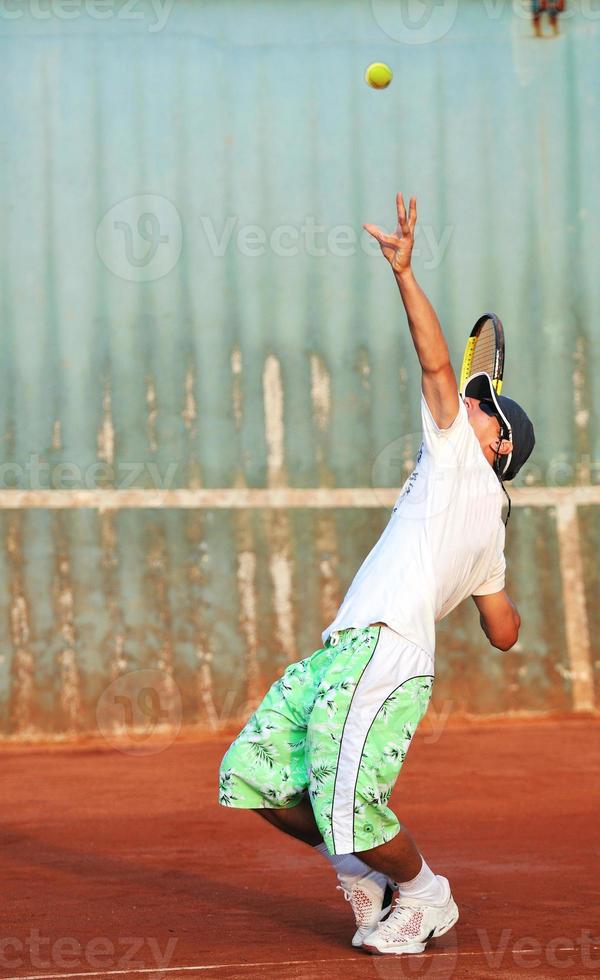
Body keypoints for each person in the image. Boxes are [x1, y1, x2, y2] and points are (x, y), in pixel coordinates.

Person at [219, 194, 535, 956]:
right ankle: (360, 875)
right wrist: (485, 576)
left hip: (387, 651)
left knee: (354, 806)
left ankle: (427, 896)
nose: (470, 400)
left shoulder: (457, 452)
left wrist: (404, 272)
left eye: (484, 408)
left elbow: (432, 358)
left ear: (494, 449)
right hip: (343, 649)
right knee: (254, 773)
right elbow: (503, 633)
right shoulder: (484, 525)